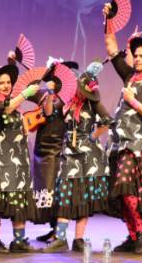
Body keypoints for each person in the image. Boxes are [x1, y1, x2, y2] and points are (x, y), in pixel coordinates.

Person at [103, 12, 142, 255]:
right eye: (135, 55)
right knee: (120, 192)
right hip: (119, 143)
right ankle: (133, 235)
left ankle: (141, 230)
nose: (137, 59)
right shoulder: (130, 77)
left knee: (126, 187)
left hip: (136, 146)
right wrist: (109, 19)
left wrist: (133, 101)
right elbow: (111, 47)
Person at [44, 61, 111, 252]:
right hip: (70, 151)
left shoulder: (93, 104)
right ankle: (61, 238)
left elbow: (107, 121)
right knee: (65, 193)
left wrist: (93, 137)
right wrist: (50, 93)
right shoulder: (67, 101)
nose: (81, 93)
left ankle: (79, 239)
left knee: (84, 195)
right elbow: (49, 113)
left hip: (89, 155)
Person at [0, 64, 40, 253]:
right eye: (1, 83)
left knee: (18, 198)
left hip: (17, 160)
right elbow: (2, 110)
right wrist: (24, 95)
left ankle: (18, 241)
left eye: (8, 82)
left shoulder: (13, 104)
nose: (6, 86)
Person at [33, 58, 78, 243]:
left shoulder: (70, 97)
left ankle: (57, 231)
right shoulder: (47, 93)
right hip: (43, 144)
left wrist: (52, 93)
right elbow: (45, 109)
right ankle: (52, 228)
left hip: (58, 146)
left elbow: (52, 112)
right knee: (44, 187)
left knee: (55, 189)